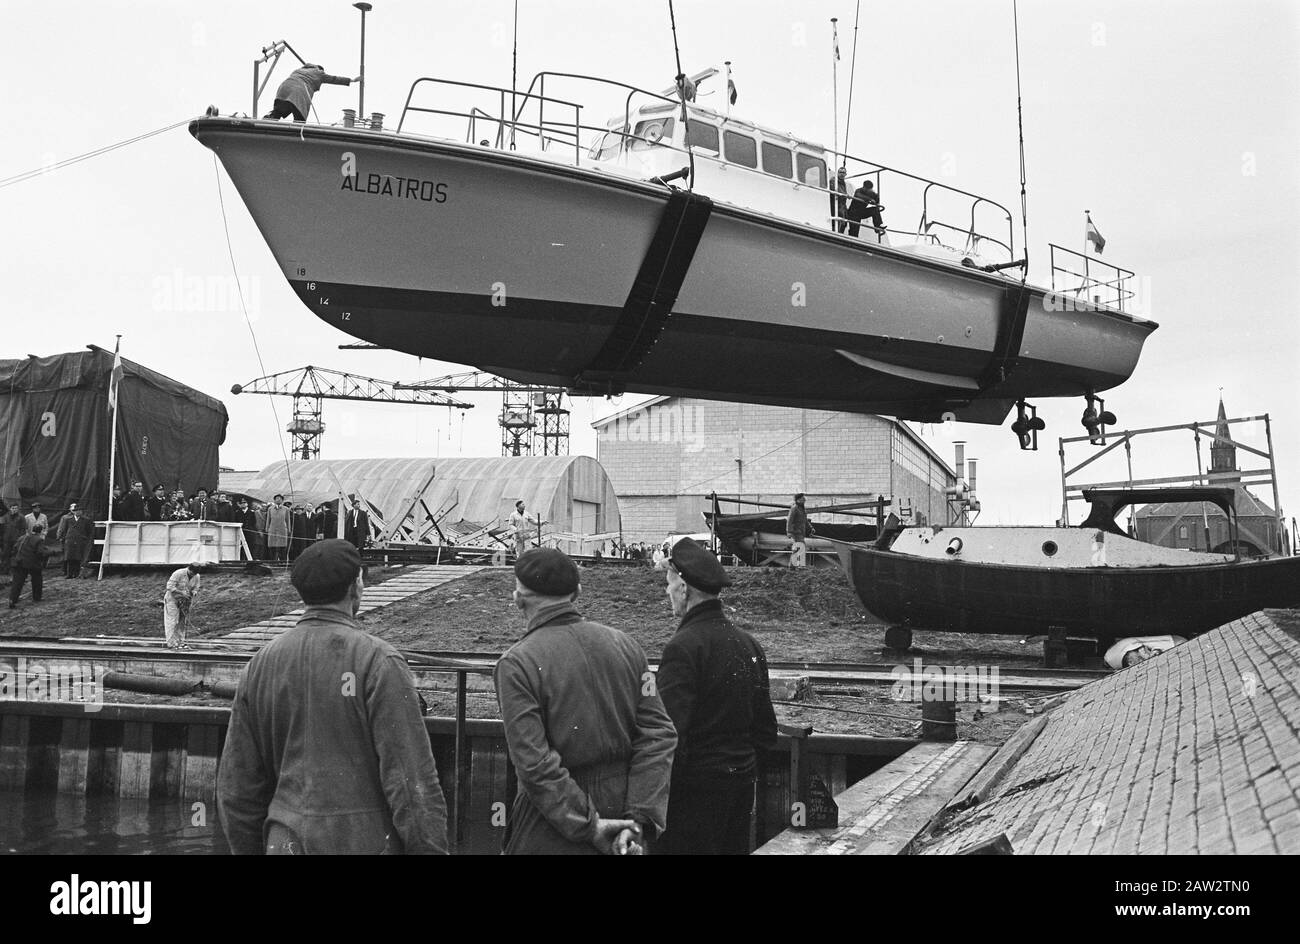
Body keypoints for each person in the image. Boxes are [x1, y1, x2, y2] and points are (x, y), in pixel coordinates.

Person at [218, 540, 448, 854]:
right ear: (356, 587)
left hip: (284, 841)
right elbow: (412, 784)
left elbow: (237, 787)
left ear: (302, 592)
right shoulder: (378, 661)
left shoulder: (260, 664)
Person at [495, 548, 676, 855]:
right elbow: (659, 735)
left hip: (552, 824)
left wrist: (589, 826)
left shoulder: (517, 664)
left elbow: (534, 763)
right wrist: (638, 819)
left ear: (518, 599)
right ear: (577, 593)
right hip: (625, 818)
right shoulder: (628, 646)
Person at [655, 538, 778, 854]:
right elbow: (765, 732)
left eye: (669, 583)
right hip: (738, 792)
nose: (667, 591)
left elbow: (670, 737)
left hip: (692, 801)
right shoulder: (748, 644)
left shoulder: (683, 648)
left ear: (683, 587)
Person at [262, 64, 354, 122]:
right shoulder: (319, 72)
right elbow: (334, 79)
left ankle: (269, 121)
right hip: (299, 90)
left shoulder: (298, 70)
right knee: (300, 120)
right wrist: (351, 80)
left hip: (284, 88)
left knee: (279, 111)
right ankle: (296, 140)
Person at [9, 524, 53, 608]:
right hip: (31, 563)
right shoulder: (39, 540)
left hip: (18, 562)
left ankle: (12, 599)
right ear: (40, 532)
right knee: (37, 579)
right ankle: (37, 597)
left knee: (17, 582)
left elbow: (14, 549)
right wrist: (50, 552)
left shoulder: (22, 537)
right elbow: (40, 553)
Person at [163, 563, 202, 649]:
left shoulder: (197, 576)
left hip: (185, 601)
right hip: (172, 600)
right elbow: (169, 586)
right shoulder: (178, 573)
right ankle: (171, 643)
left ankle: (180, 641)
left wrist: (193, 593)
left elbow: (196, 588)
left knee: (182, 622)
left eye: (194, 574)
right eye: (192, 573)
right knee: (172, 621)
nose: (193, 575)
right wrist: (181, 593)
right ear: (189, 569)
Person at [56, 504, 94, 579]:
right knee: (69, 557)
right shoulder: (68, 519)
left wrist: (85, 538)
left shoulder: (86, 520)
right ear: (74, 512)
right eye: (76, 511)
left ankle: (76, 573)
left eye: (80, 511)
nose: (78, 512)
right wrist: (64, 538)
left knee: (78, 557)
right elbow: (64, 529)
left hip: (80, 540)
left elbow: (89, 531)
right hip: (70, 540)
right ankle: (69, 574)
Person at [786, 493, 814, 568]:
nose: (805, 500)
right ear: (798, 500)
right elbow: (789, 520)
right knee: (801, 546)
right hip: (796, 532)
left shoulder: (802, 509)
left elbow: (805, 520)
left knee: (797, 549)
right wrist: (789, 532)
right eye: (803, 498)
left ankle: (792, 566)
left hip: (801, 532)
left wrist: (811, 528)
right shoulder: (794, 508)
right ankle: (800, 566)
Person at [265, 494, 291, 563]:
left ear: (282, 500)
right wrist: (267, 529)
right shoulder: (270, 509)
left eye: (280, 498)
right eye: (277, 498)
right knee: (272, 548)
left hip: (282, 530)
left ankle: (283, 562)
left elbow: (288, 520)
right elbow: (268, 520)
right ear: (274, 500)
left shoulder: (286, 509)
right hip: (272, 530)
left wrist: (289, 529)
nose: (278, 500)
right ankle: (273, 562)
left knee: (282, 548)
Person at [2, 502, 25, 575]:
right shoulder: (6, 516)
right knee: (6, 555)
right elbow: (2, 527)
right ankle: (5, 570)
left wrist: (20, 539)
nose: (14, 510)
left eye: (16, 508)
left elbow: (23, 529)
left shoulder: (21, 517)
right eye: (13, 508)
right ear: (10, 509)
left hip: (16, 540)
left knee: (15, 555)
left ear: (18, 509)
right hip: (6, 540)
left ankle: (14, 571)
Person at [831, 165, 850, 233]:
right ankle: (836, 233)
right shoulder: (834, 180)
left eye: (843, 173)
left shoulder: (843, 182)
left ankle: (840, 234)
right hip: (836, 203)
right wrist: (845, 194)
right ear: (837, 173)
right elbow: (835, 188)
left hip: (842, 205)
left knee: (845, 221)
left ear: (845, 174)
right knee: (838, 220)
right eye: (840, 172)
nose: (842, 174)